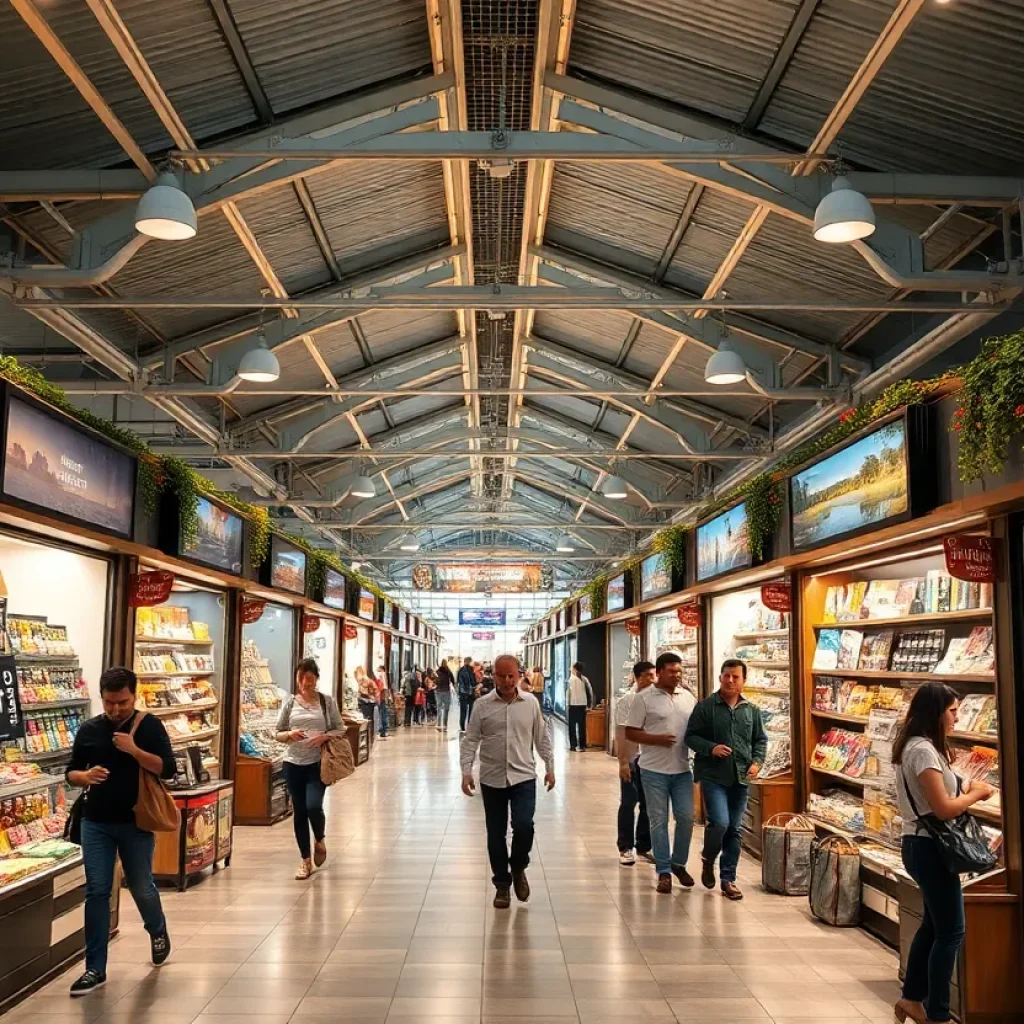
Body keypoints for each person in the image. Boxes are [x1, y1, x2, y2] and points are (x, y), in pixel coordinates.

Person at [66, 667, 176, 995]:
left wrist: (134, 750)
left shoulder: (150, 726)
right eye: (110, 703)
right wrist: (82, 778)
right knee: (97, 891)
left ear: (134, 696)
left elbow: (167, 769)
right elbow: (70, 771)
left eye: (123, 703)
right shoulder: (89, 730)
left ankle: (157, 929)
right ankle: (94, 968)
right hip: (95, 822)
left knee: (141, 887)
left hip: (136, 822)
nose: (116, 710)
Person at [892, 684, 995, 1024]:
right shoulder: (921, 751)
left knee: (933, 927)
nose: (957, 717)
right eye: (952, 711)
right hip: (930, 848)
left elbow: (949, 788)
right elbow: (944, 808)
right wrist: (977, 794)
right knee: (952, 931)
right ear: (935, 713)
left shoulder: (923, 748)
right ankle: (938, 1013)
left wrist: (968, 785)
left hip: (922, 845)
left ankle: (911, 1000)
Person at [461, 653, 555, 909]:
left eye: (510, 675)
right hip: (492, 779)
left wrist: (550, 766)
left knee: (524, 826)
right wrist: (466, 771)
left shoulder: (530, 704)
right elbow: (470, 740)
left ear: (519, 674)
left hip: (523, 776)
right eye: (500, 675)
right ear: (494, 676)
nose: (505, 680)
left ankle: (518, 866)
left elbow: (541, 737)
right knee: (496, 832)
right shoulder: (482, 705)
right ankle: (502, 885)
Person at [684, 659, 768, 901]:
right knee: (720, 822)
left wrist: (757, 762)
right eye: (726, 676)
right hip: (712, 774)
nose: (730, 681)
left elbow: (760, 740)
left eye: (736, 677)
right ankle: (708, 858)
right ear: (719, 678)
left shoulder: (751, 711)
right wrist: (711, 748)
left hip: (740, 777)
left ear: (743, 681)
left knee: (734, 828)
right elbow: (690, 736)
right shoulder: (706, 707)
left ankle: (728, 878)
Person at [625, 651, 697, 894]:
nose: (677, 675)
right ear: (659, 672)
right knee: (658, 820)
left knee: (686, 818)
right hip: (653, 769)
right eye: (671, 671)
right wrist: (655, 739)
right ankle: (663, 871)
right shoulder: (644, 698)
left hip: (682, 769)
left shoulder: (688, 697)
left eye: (679, 671)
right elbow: (631, 732)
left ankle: (679, 863)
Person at [275, 658, 343, 880]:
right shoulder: (289, 702)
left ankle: (320, 839)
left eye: (310, 679)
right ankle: (305, 860)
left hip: (317, 763)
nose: (306, 684)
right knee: (299, 811)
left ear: (316, 679)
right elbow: (277, 732)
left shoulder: (326, 702)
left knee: (314, 805)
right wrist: (289, 735)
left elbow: (340, 728)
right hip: (293, 763)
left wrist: (325, 736)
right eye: (302, 679)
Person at [615, 661, 655, 866]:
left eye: (653, 675)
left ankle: (644, 846)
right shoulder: (627, 700)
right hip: (632, 759)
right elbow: (621, 733)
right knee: (629, 802)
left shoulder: (654, 699)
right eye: (648, 675)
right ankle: (625, 847)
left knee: (648, 804)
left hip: (650, 760)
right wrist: (623, 762)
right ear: (638, 677)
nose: (652, 679)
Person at [567, 661, 594, 751]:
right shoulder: (584, 679)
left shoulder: (571, 680)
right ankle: (582, 745)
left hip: (573, 705)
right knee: (582, 726)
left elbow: (568, 693)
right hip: (582, 705)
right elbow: (590, 692)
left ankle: (573, 745)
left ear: (574, 669)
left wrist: (567, 705)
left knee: (572, 726)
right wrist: (590, 705)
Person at [356, 665, 378, 735]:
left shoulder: (364, 680)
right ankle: (370, 734)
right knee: (369, 718)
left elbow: (364, 691)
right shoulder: (367, 680)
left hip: (367, 702)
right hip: (369, 702)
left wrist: (370, 696)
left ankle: (369, 734)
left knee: (367, 718)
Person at [457, 656, 476, 732]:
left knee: (463, 710)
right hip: (470, 693)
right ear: (469, 662)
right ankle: (469, 726)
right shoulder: (471, 670)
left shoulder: (460, 670)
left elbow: (459, 682)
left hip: (463, 694)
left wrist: (461, 691)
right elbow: (473, 682)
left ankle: (462, 727)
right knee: (471, 711)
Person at [436, 659, 454, 730]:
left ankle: (439, 724)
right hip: (446, 691)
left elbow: (435, 680)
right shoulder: (449, 671)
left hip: (439, 691)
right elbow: (453, 680)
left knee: (439, 708)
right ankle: (445, 724)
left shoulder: (437, 671)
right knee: (446, 709)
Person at [375, 664, 390, 740]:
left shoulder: (381, 674)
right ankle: (384, 730)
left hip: (381, 697)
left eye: (378, 668)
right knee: (383, 713)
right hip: (382, 697)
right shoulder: (383, 675)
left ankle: (383, 730)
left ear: (381, 669)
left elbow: (383, 687)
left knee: (382, 713)